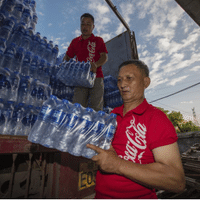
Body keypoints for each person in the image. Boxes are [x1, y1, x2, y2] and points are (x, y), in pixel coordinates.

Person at [87, 60, 186, 199]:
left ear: (146, 82)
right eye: (119, 80)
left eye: (129, 78)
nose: (122, 84)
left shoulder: (156, 119)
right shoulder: (111, 116)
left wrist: (117, 164)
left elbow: (176, 181)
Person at [63, 13, 108, 111]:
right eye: (83, 24)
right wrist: (65, 66)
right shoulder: (75, 42)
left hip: (97, 77)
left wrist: (96, 64)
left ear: (93, 27)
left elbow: (104, 57)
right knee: (77, 107)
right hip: (81, 78)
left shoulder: (98, 40)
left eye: (88, 24)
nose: (85, 27)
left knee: (96, 109)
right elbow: (67, 56)